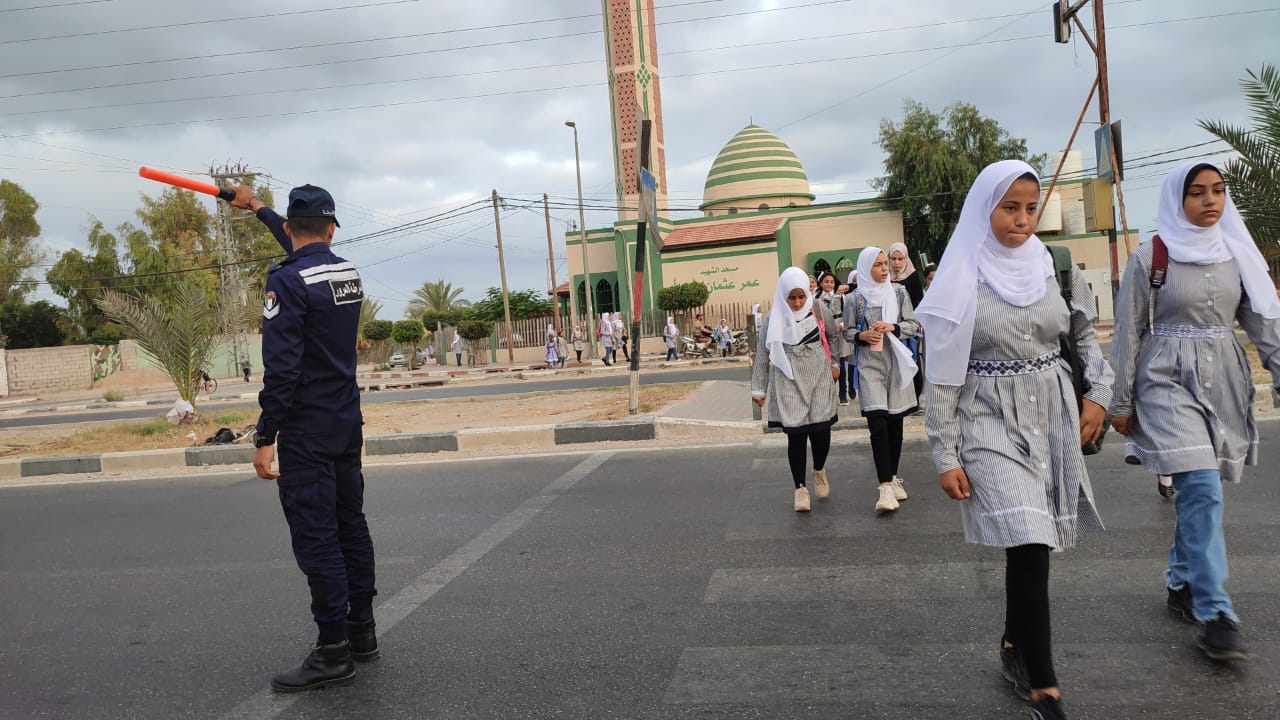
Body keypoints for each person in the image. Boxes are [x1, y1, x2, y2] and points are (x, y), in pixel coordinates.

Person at [916, 161, 1111, 719]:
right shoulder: (962, 275)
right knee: (1027, 535)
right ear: (986, 209)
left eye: (1030, 208)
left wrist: (1098, 392)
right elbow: (944, 374)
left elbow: (1082, 333)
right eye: (1010, 208)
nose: (1022, 220)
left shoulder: (1054, 265)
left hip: (1050, 414)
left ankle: (1013, 643)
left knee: (1032, 541)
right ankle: (1045, 689)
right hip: (987, 419)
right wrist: (944, 452)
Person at [1107, 161, 1280, 663]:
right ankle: (1216, 613)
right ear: (1175, 200)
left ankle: (1182, 580)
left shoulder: (1236, 256)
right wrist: (1119, 401)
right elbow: (1127, 331)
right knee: (1201, 485)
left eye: (1218, 191)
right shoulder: (1150, 258)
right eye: (1197, 192)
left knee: (1196, 491)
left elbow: (1261, 324)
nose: (1210, 200)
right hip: (1164, 381)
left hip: (1223, 381)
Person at [230, 183, 378, 693]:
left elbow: (283, 369)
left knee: (317, 536)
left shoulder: (287, 283)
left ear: (293, 228)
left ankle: (333, 651)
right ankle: (362, 631)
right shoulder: (345, 274)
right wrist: (256, 208)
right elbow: (305, 247)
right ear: (332, 226)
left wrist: (264, 434)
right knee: (350, 525)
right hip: (345, 422)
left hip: (309, 431)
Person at [751, 267, 841, 512]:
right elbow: (762, 354)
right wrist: (759, 389)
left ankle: (819, 469)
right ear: (783, 296)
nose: (798, 302)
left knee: (822, 431)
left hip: (819, 377)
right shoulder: (773, 319)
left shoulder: (820, 309)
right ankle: (800, 489)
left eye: (801, 296)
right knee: (797, 435)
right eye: (792, 298)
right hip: (788, 378)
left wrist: (834, 363)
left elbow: (833, 337)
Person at [844, 247, 920, 514]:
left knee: (894, 424)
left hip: (895, 363)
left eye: (885, 263)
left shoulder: (898, 293)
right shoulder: (854, 299)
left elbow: (913, 323)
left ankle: (894, 474)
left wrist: (893, 327)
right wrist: (862, 336)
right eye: (877, 265)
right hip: (869, 366)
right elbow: (848, 331)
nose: (884, 269)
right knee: (877, 424)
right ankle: (885, 487)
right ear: (866, 268)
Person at [889, 242, 926, 401]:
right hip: (891, 324)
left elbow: (919, 302)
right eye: (893, 259)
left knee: (912, 359)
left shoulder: (912, 276)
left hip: (910, 325)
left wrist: (920, 324)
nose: (896, 263)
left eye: (900, 259)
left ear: (906, 259)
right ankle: (900, 397)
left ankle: (916, 397)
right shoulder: (885, 277)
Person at [815, 271, 852, 406]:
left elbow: (847, 315)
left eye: (831, 282)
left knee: (840, 362)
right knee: (825, 364)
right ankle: (828, 393)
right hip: (823, 334)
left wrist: (841, 325)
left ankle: (843, 394)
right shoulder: (816, 299)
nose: (829, 284)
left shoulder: (841, 297)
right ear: (821, 283)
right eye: (826, 282)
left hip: (838, 332)